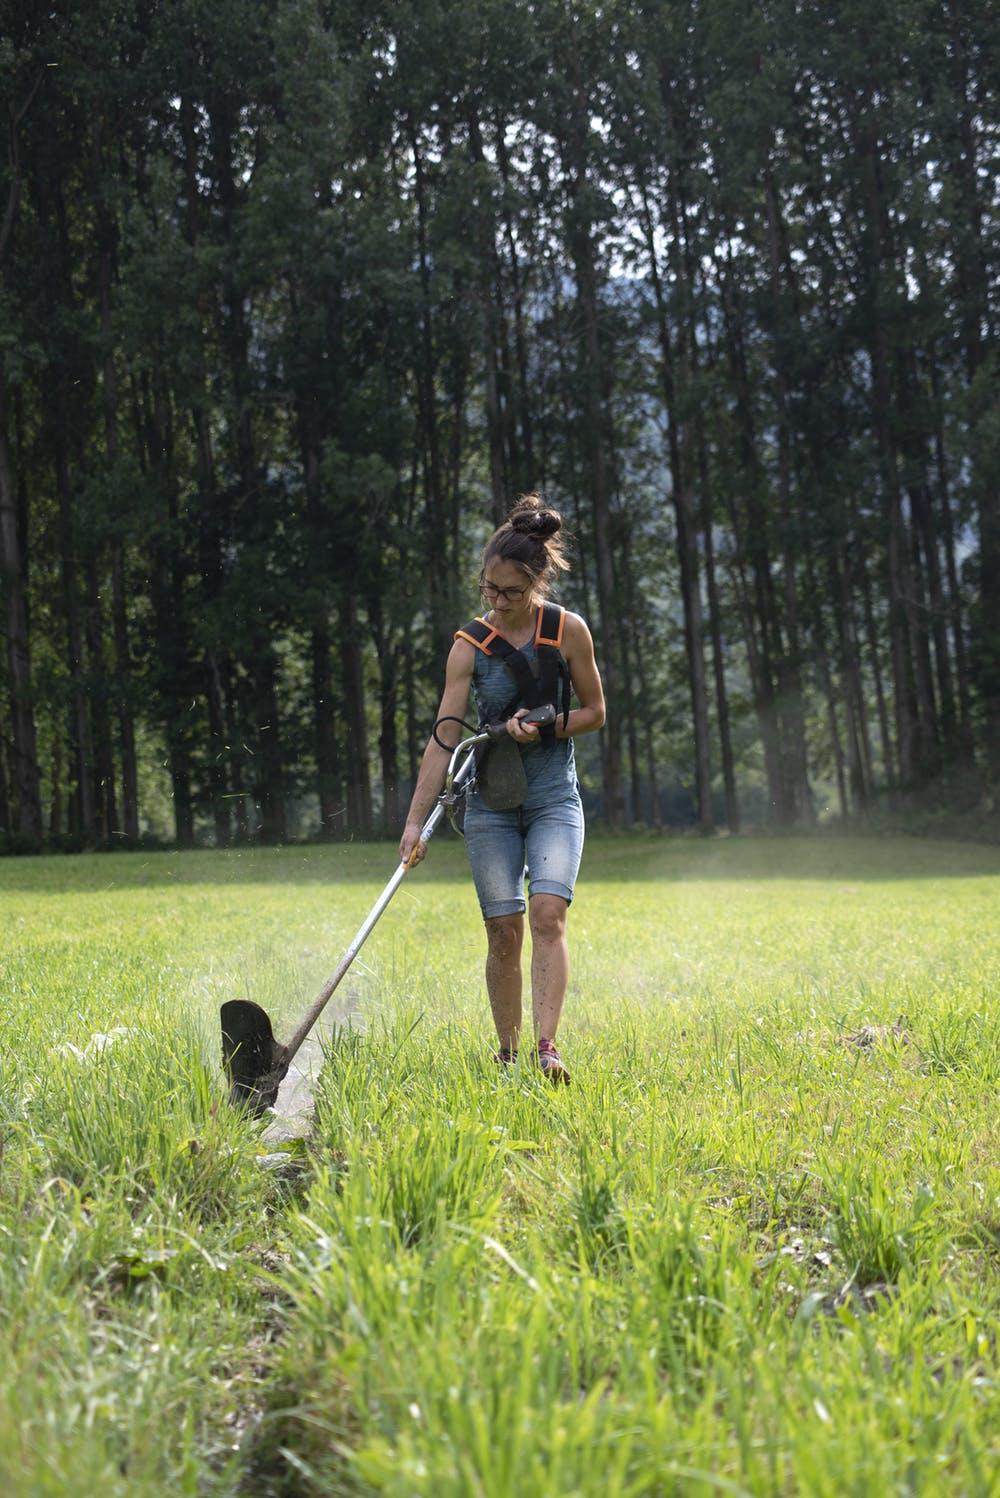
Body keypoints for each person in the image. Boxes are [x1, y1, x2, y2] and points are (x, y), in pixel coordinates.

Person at [399, 495, 605, 1083]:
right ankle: (507, 1054)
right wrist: (415, 823)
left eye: (510, 591)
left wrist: (546, 727)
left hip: (553, 799)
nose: (497, 600)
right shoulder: (469, 646)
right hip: (489, 802)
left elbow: (595, 711)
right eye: (489, 588)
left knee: (546, 914)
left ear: (536, 584)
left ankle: (546, 1050)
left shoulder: (567, 632)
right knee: (503, 929)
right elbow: (443, 740)